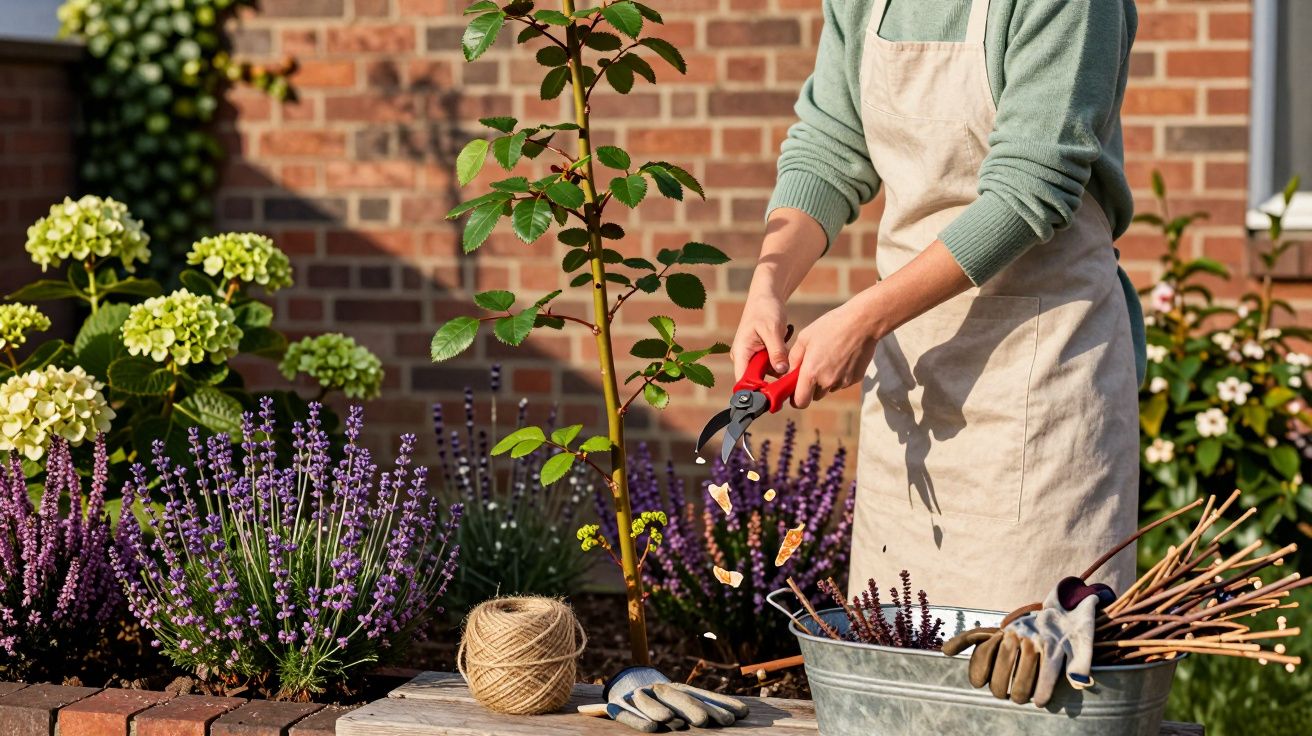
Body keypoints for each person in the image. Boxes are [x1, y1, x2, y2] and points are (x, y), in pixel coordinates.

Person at [732, 0, 1145, 615]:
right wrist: (768, 282)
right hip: (910, 380)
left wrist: (867, 317)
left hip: (1044, 386)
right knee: (897, 663)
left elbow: (1030, 186)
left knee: (1035, 671)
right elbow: (828, 148)